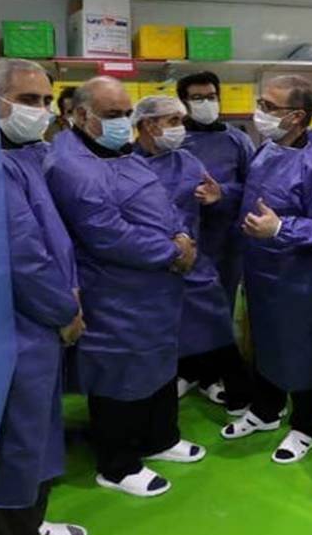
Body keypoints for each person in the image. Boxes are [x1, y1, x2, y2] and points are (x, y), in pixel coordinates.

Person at [44, 76, 206, 498]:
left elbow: (161, 202)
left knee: (159, 364)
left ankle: (160, 437)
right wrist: (170, 252)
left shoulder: (118, 151)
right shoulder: (70, 166)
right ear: (82, 115)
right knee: (119, 375)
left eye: (126, 113)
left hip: (157, 289)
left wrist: (182, 236)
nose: (122, 122)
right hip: (117, 291)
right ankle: (117, 465)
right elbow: (106, 234)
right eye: (112, 114)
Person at [0, 59, 91, 535]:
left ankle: (33, 528)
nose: (42, 111)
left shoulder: (25, 157)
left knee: (42, 432)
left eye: (47, 101)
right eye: (28, 100)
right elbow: (23, 258)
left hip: (42, 321)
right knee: (20, 441)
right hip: (22, 325)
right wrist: (62, 311)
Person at [221, 75, 312, 463]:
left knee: (301, 350)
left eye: (270, 107)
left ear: (297, 116)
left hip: (298, 277)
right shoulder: (268, 148)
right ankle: (267, 410)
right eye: (261, 103)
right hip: (260, 270)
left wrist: (281, 229)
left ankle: (306, 425)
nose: (261, 113)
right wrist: (223, 194)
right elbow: (255, 194)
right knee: (265, 343)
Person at [132, 95, 254, 415]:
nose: (181, 129)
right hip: (149, 265)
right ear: (148, 125)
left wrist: (217, 196)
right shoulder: (126, 166)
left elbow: (229, 194)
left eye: (181, 121)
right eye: (173, 121)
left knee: (215, 324)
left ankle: (238, 392)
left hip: (192, 261)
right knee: (160, 336)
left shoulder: (187, 161)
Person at [176, 72, 257, 407]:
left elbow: (254, 187)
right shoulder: (174, 138)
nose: (206, 103)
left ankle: (211, 375)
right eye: (197, 98)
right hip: (182, 239)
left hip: (224, 241)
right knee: (184, 308)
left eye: (211, 96)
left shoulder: (237, 141)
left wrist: (222, 193)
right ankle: (187, 369)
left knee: (217, 309)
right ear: (183, 102)